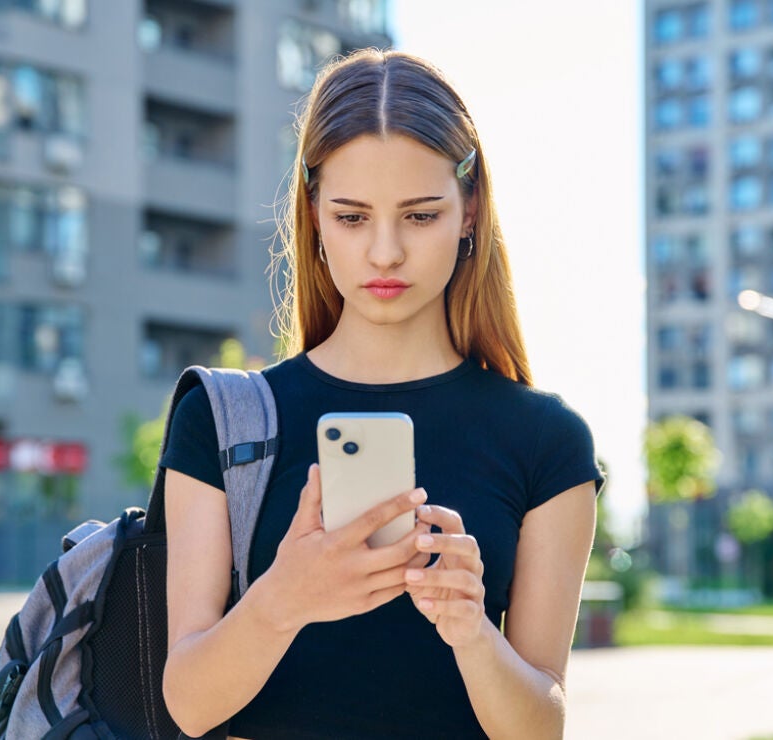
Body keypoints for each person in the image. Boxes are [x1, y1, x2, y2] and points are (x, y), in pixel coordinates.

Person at [160, 48, 605, 740]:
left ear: (469, 211)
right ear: (311, 214)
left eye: (421, 216)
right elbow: (186, 704)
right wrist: (285, 597)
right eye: (352, 217)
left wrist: (472, 631)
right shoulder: (224, 420)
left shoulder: (547, 439)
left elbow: (541, 727)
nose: (385, 253)